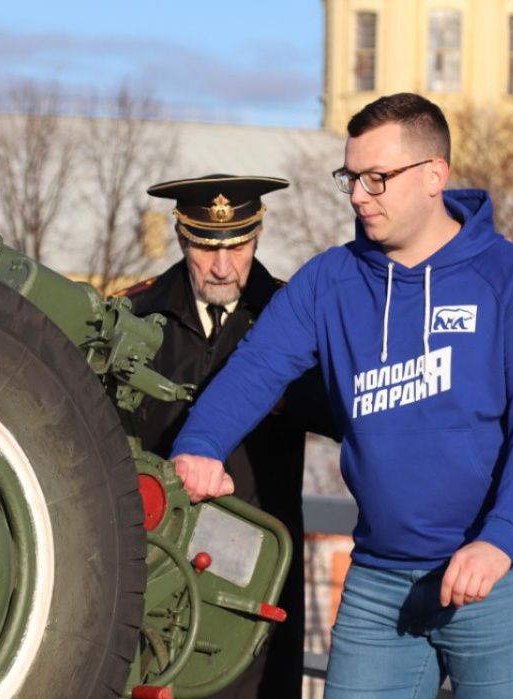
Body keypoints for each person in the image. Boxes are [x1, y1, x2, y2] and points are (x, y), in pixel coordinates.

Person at [169, 94, 513, 698]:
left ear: (435, 176)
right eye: (351, 177)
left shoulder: (512, 280)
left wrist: (500, 539)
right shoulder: (331, 280)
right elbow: (256, 368)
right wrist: (200, 443)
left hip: (502, 579)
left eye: (377, 179)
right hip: (382, 582)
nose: (359, 195)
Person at [116, 174, 333, 699]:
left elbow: (345, 410)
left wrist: (282, 396)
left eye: (237, 247)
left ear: (257, 236)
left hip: (258, 557)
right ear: (182, 237)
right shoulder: (136, 315)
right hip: (155, 556)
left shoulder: (292, 318)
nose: (221, 266)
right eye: (205, 247)